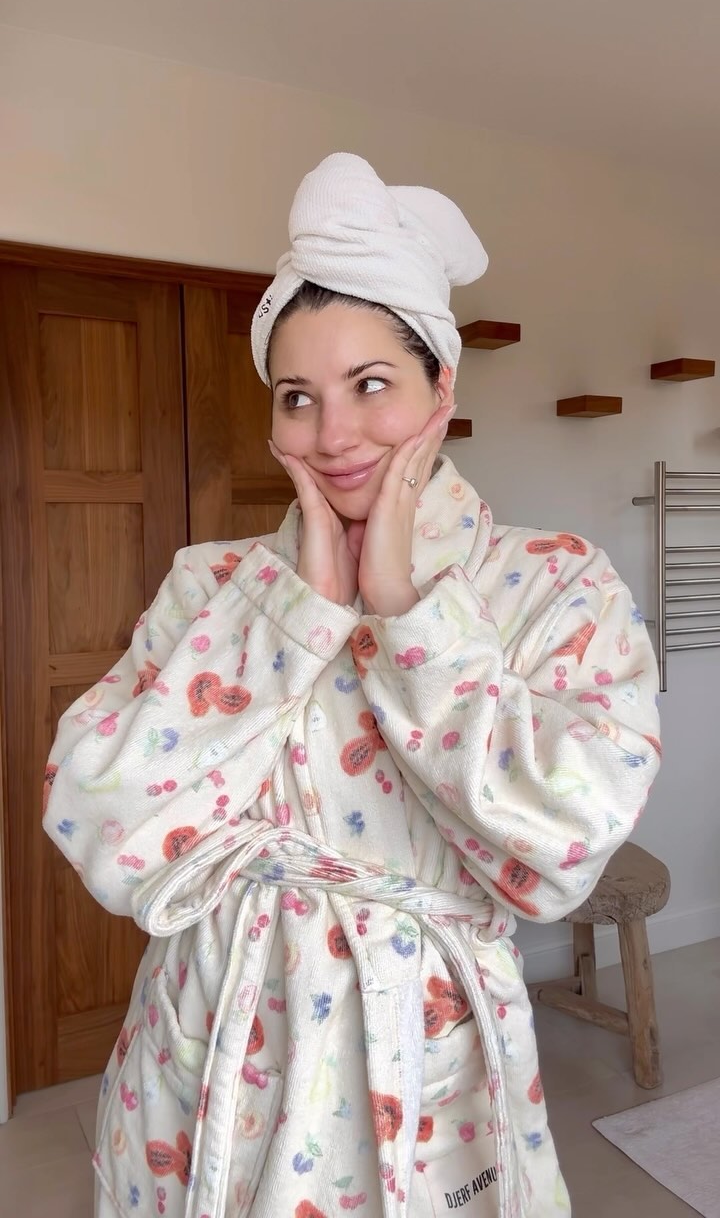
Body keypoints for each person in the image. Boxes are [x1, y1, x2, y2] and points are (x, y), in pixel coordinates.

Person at [43, 153, 661, 1218]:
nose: (333, 436)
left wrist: (409, 615)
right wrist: (295, 615)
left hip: (423, 1061)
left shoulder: (555, 583)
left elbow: (568, 836)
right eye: (299, 398)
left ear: (441, 387)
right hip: (209, 1048)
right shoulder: (213, 585)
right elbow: (97, 815)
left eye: (372, 384)